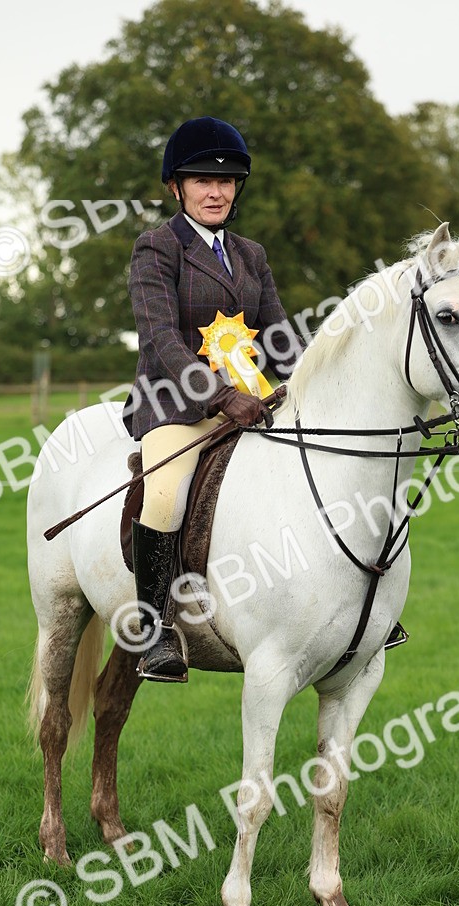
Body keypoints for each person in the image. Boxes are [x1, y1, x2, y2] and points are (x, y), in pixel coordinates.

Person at [123, 116, 302, 684]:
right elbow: (162, 341)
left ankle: (342, 609)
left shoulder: (251, 255)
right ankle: (154, 631)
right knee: (168, 492)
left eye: (226, 182)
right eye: (202, 180)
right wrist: (220, 396)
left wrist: (303, 387)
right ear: (177, 187)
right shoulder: (157, 247)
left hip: (253, 402)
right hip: (176, 406)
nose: (216, 191)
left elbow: (278, 336)